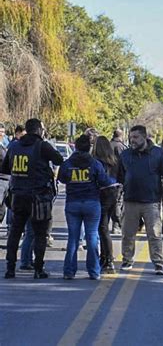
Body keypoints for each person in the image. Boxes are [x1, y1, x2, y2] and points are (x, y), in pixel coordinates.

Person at [2, 118, 63, 279]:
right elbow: (59, 159)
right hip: (38, 196)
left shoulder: (14, 146)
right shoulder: (42, 145)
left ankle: (10, 268)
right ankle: (38, 268)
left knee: (15, 233)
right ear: (38, 130)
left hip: (18, 195)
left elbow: (5, 168)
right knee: (40, 233)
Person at [118, 125, 163, 275]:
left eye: (135, 137)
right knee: (128, 233)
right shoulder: (125, 155)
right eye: (130, 137)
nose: (132, 140)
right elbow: (119, 176)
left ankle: (158, 263)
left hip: (151, 201)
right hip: (130, 201)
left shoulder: (157, 154)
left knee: (154, 234)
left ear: (144, 137)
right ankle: (127, 260)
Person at [58, 135, 113, 280]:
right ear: (89, 147)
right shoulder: (94, 164)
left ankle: (69, 271)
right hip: (91, 203)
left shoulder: (68, 163)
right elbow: (103, 180)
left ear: (75, 147)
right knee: (92, 237)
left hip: (73, 203)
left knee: (73, 239)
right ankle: (94, 271)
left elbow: (62, 178)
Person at [93, 136, 121, 274]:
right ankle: (104, 258)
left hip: (102, 193)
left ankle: (108, 260)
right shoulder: (114, 161)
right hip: (113, 193)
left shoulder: (97, 162)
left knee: (102, 228)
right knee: (104, 227)